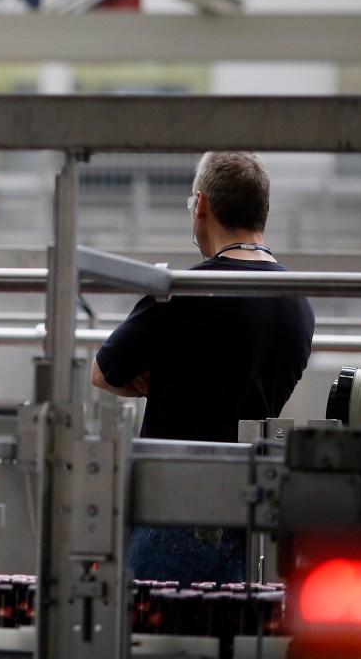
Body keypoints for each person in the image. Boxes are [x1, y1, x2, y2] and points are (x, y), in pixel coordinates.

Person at [91, 151, 315, 584]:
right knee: (227, 645)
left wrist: (158, 381)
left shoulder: (186, 292)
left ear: (201, 205)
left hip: (173, 513)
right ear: (261, 212)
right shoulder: (299, 304)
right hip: (249, 521)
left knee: (146, 643)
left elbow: (103, 371)